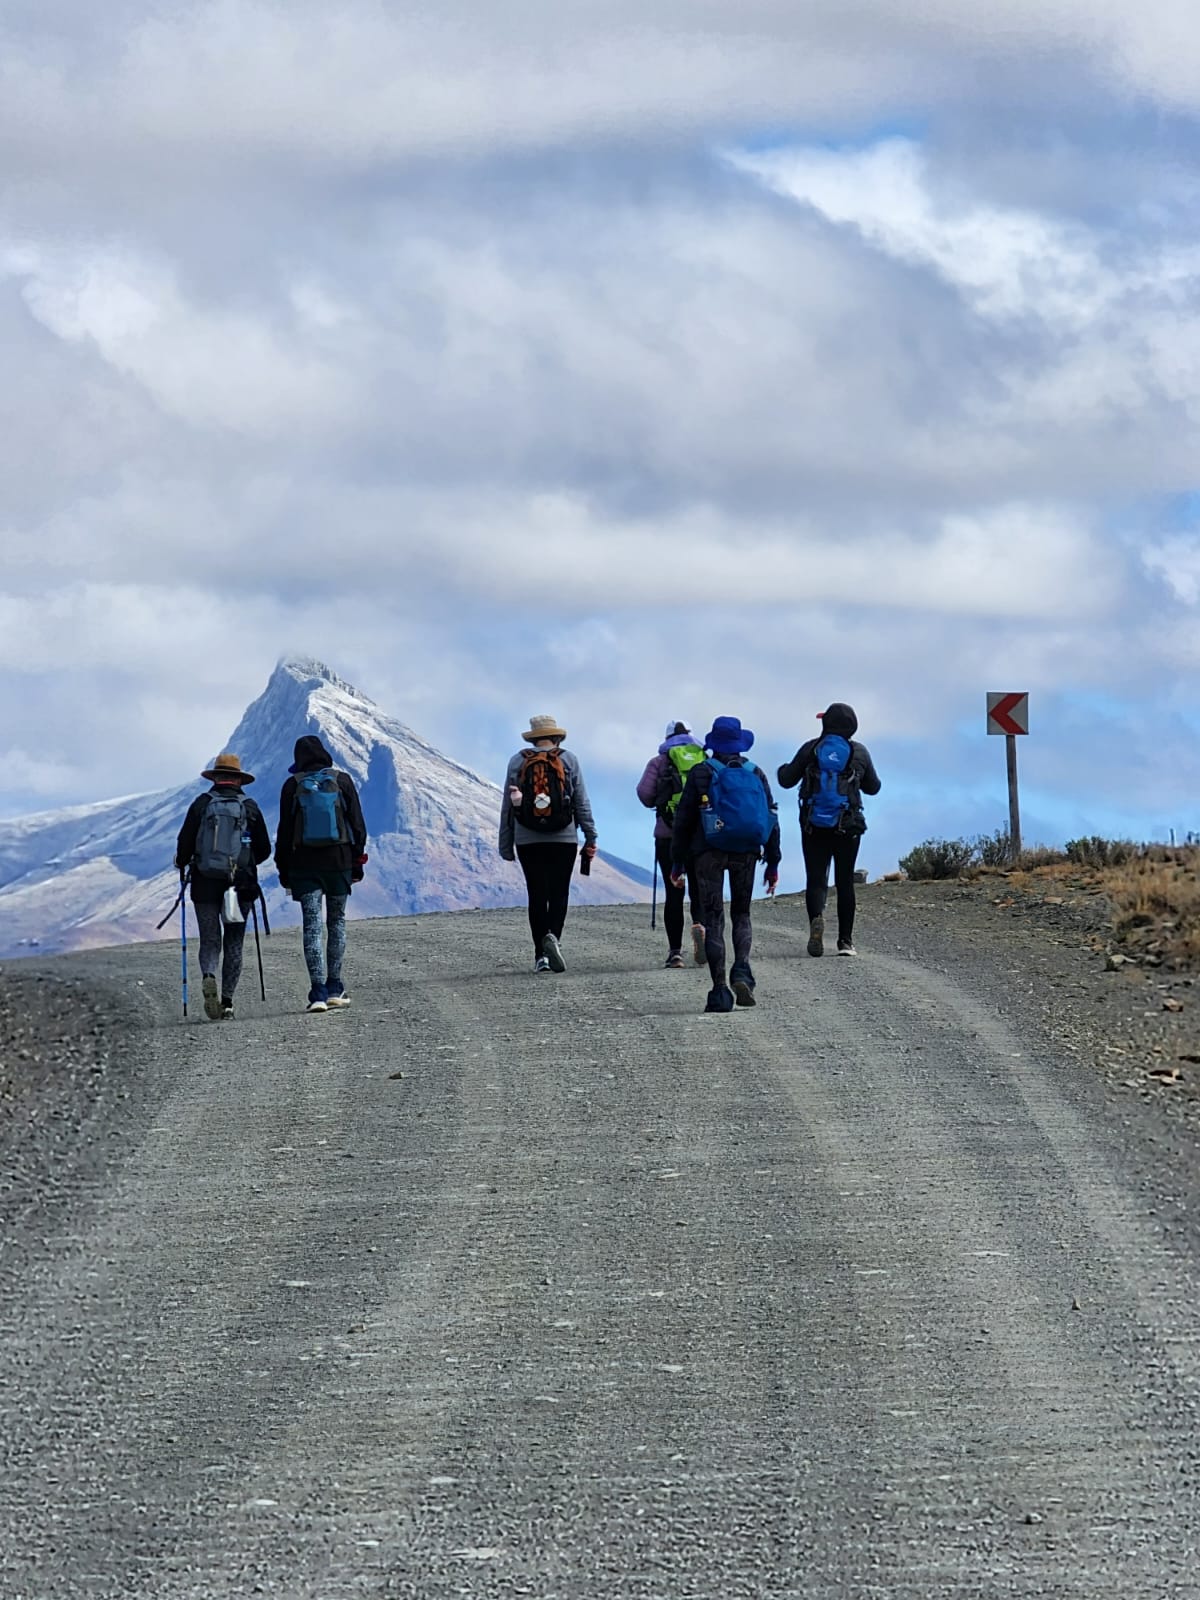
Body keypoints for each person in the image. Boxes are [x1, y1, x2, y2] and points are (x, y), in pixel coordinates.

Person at [670, 716, 781, 1013]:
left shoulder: (700, 772)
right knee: (742, 913)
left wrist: (678, 862)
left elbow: (683, 822)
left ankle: (720, 991)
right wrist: (773, 862)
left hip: (708, 852)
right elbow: (770, 817)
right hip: (746, 852)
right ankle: (742, 970)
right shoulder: (755, 773)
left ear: (713, 744)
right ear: (740, 743)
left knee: (714, 919)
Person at [776, 701, 881, 957]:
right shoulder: (859, 752)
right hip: (848, 825)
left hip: (813, 825)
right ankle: (845, 942)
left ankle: (816, 920)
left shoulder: (812, 749)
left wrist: (781, 768)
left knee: (816, 878)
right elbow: (874, 787)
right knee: (845, 881)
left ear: (825, 723)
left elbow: (786, 780)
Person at [274, 735, 368, 1013]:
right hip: (338, 862)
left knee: (312, 925)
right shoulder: (342, 781)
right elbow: (358, 827)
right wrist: (357, 862)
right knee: (336, 922)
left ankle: (317, 992)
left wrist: (284, 870)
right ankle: (335, 987)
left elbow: (284, 833)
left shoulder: (292, 785)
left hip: (304, 865)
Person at [174, 752, 272, 1021]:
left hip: (205, 883)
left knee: (210, 939)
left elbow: (184, 843)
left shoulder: (201, 804)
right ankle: (227, 1003)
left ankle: (208, 974)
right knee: (234, 943)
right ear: (239, 780)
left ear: (215, 777)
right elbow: (264, 849)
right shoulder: (250, 807)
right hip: (239, 886)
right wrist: (244, 864)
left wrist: (183, 862)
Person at [498, 714, 598, 973]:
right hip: (563, 838)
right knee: (559, 892)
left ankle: (540, 956)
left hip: (527, 838)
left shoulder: (518, 760)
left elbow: (508, 806)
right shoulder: (568, 759)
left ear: (532, 738)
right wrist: (590, 835)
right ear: (556, 737)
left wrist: (506, 843)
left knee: (537, 894)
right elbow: (581, 802)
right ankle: (554, 937)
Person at [637, 720, 706, 969]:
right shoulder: (703, 760)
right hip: (700, 836)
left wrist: (661, 800)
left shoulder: (659, 762)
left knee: (673, 892)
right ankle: (701, 929)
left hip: (667, 835)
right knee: (699, 889)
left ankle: (675, 953)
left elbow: (644, 794)